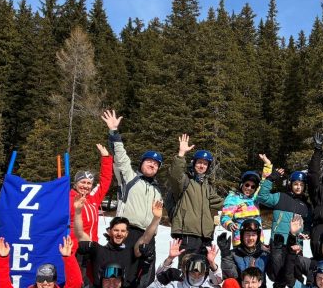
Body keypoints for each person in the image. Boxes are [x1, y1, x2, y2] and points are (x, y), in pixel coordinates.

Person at [102, 109, 163, 247]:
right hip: (127, 232)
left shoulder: (157, 190)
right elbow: (121, 157)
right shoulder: (130, 177)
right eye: (149, 161)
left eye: (156, 164)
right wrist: (114, 132)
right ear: (141, 163)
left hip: (148, 236)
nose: (152, 165)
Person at [166, 134, 223, 255]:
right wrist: (181, 154)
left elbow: (221, 203)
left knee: (202, 271)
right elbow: (175, 175)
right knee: (187, 268)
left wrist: (240, 202)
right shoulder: (185, 181)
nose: (202, 166)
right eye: (199, 162)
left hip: (205, 236)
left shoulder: (207, 187)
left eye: (205, 164)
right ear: (194, 163)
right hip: (187, 233)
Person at [69, 142, 114, 273]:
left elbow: (105, 181)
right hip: (74, 249)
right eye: (83, 182)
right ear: (75, 183)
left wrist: (106, 158)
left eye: (89, 183)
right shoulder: (68, 199)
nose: (86, 186)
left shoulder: (93, 199)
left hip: (91, 248)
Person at [220, 168, 267, 238]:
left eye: (253, 186)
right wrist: (230, 225)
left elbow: (264, 183)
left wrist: (267, 165)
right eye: (247, 185)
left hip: (257, 239)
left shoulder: (255, 197)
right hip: (241, 239)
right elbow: (225, 217)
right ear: (242, 184)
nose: (249, 188)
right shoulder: (233, 198)